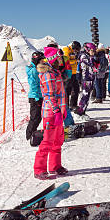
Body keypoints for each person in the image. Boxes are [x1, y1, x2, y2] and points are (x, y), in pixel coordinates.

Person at [34, 47, 68, 179]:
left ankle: (55, 166)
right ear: (52, 59)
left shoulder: (55, 72)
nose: (61, 60)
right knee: (47, 141)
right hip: (51, 113)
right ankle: (39, 169)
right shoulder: (48, 75)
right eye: (59, 57)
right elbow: (49, 95)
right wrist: (57, 111)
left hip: (59, 111)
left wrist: (63, 110)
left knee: (58, 140)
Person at [26, 51, 44, 143]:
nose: (43, 61)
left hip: (38, 95)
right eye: (41, 60)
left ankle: (33, 134)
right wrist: (37, 97)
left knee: (38, 117)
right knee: (35, 117)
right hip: (35, 96)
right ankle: (29, 136)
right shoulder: (34, 70)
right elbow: (33, 84)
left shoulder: (36, 68)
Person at [75, 42, 97, 116]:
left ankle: (83, 112)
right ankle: (79, 113)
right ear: (87, 49)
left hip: (90, 78)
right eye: (92, 50)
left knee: (87, 97)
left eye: (94, 51)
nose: (93, 52)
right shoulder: (83, 56)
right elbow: (91, 65)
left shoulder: (90, 57)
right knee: (85, 96)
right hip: (86, 78)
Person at [62, 41, 81, 110]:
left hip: (74, 73)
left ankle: (73, 105)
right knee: (67, 90)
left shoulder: (72, 51)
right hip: (68, 73)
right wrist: (75, 60)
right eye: (76, 49)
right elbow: (66, 61)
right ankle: (66, 105)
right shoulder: (66, 50)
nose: (76, 51)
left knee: (76, 89)